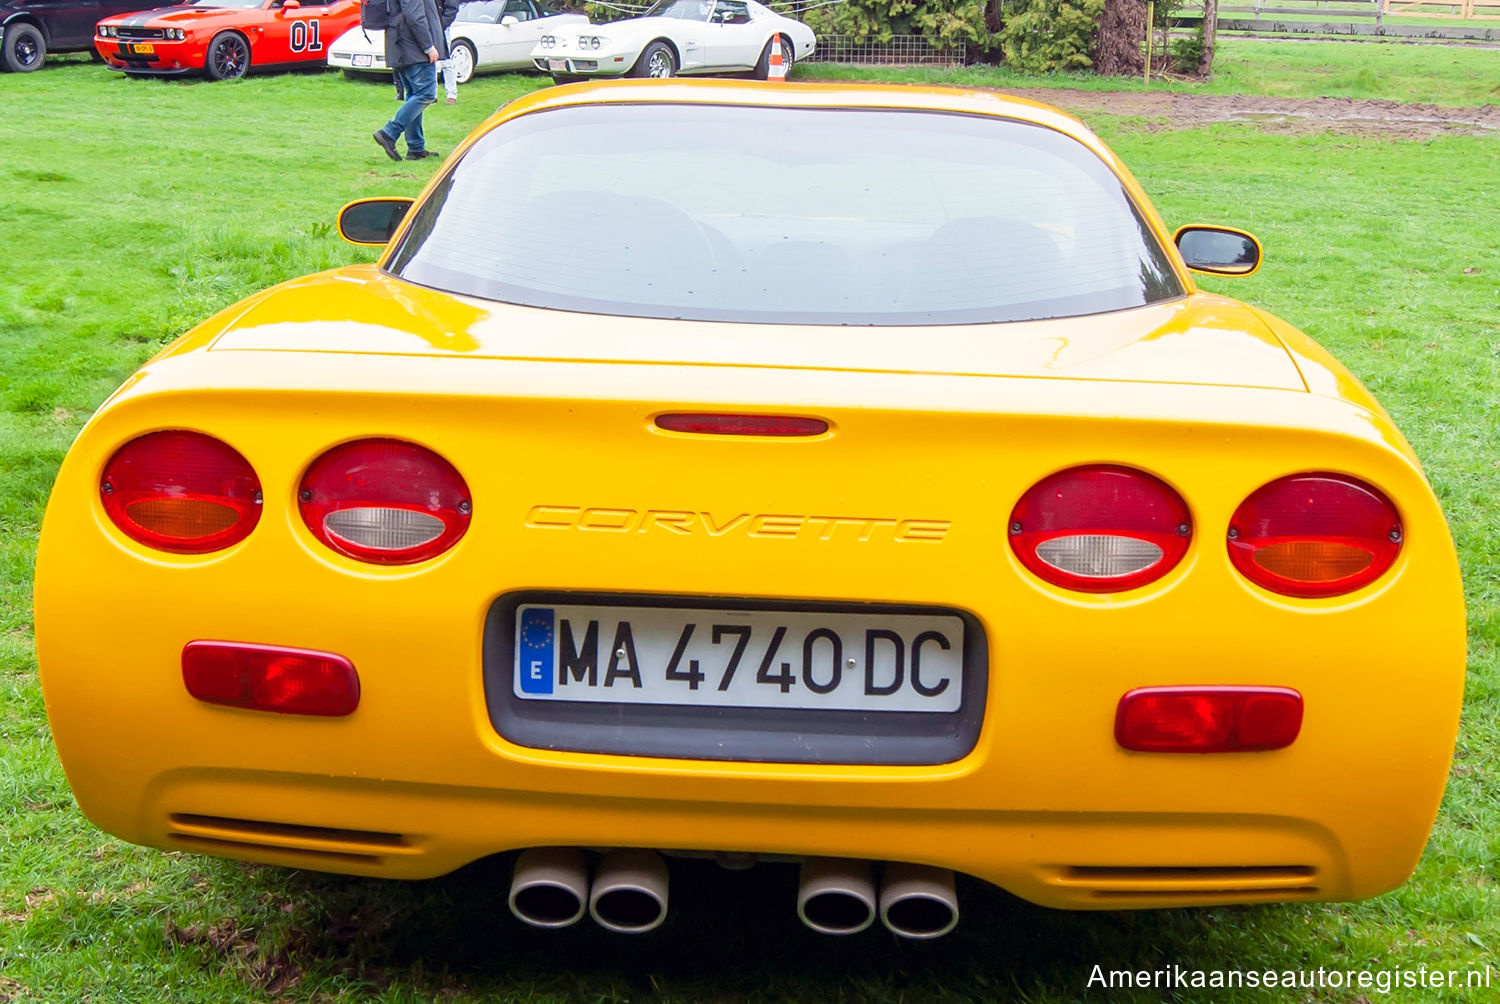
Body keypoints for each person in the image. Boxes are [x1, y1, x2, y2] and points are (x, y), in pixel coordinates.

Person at [372, 0, 449, 162]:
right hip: (415, 49)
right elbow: (414, 16)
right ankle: (389, 133)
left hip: (403, 47)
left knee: (414, 94)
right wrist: (428, 46)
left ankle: (416, 148)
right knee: (426, 94)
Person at [438, 0, 460, 106]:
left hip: (442, 27)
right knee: (428, 62)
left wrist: (441, 25)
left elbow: (452, 8)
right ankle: (430, 94)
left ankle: (451, 95)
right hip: (428, 26)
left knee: (446, 62)